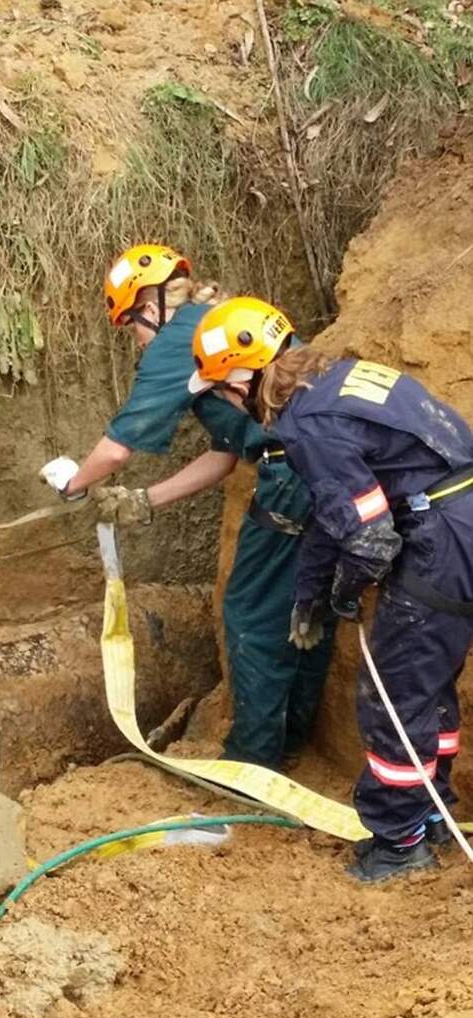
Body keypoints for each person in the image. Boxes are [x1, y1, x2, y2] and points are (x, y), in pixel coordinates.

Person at [188, 295, 473, 882]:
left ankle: (399, 843)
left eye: (220, 389)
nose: (225, 401)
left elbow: (368, 537)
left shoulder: (306, 423)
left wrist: (346, 591)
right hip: (460, 515)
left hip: (442, 538)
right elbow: (331, 511)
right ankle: (431, 813)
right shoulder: (337, 380)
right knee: (428, 682)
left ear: (246, 376)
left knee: (391, 694)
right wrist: (311, 594)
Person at [40, 246, 334, 771]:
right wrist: (143, 501)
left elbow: (115, 449)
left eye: (130, 326)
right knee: (304, 608)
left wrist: (74, 486)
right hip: (325, 468)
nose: (135, 339)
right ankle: (292, 740)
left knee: (251, 616)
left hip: (291, 480)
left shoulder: (176, 342)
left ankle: (251, 763)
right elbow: (225, 455)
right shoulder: (214, 328)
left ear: (149, 308)